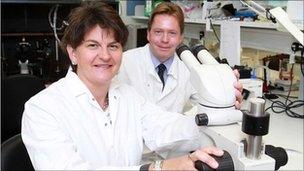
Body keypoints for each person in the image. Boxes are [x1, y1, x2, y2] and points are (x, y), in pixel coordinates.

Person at [21, 1, 224, 170]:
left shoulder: (127, 96)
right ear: (73, 53)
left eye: (113, 46)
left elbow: (167, 127)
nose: (105, 56)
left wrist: (223, 105)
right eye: (93, 45)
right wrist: (157, 168)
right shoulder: (42, 108)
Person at [118, 2, 243, 115]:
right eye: (158, 32)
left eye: (172, 33)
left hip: (172, 140)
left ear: (180, 38)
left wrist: (226, 94)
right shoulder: (124, 62)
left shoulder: (189, 69)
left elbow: (209, 107)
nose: (165, 40)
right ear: (148, 34)